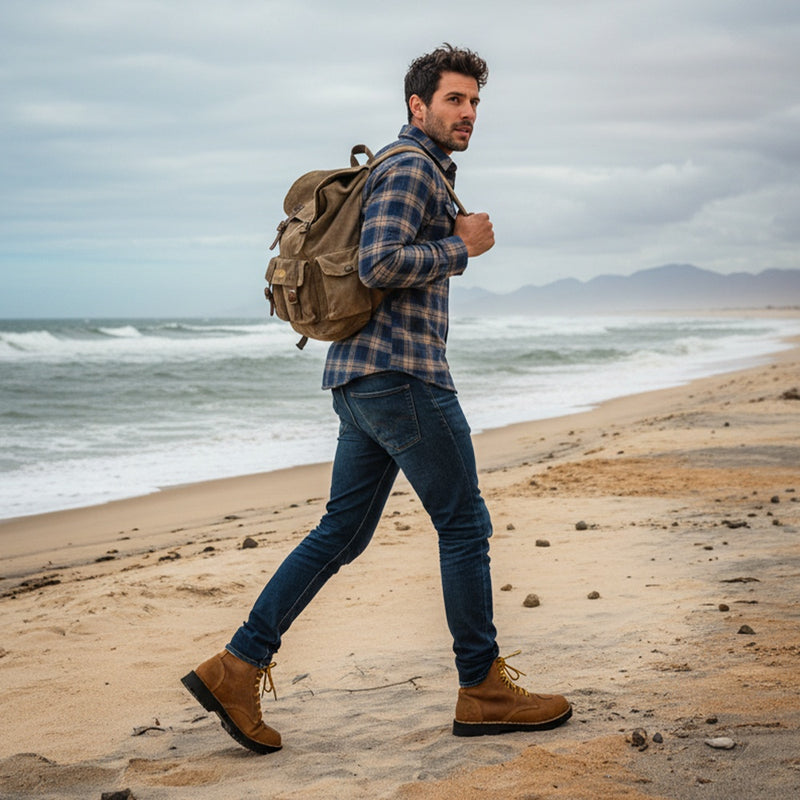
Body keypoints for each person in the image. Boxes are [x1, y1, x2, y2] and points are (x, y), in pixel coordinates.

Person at [181, 43, 572, 754]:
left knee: (341, 533)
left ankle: (236, 668)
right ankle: (482, 690)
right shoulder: (411, 167)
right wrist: (462, 247)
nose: (469, 113)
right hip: (403, 377)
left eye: (475, 102)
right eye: (455, 99)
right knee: (464, 526)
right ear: (417, 106)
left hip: (359, 378)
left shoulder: (413, 168)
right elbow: (379, 262)